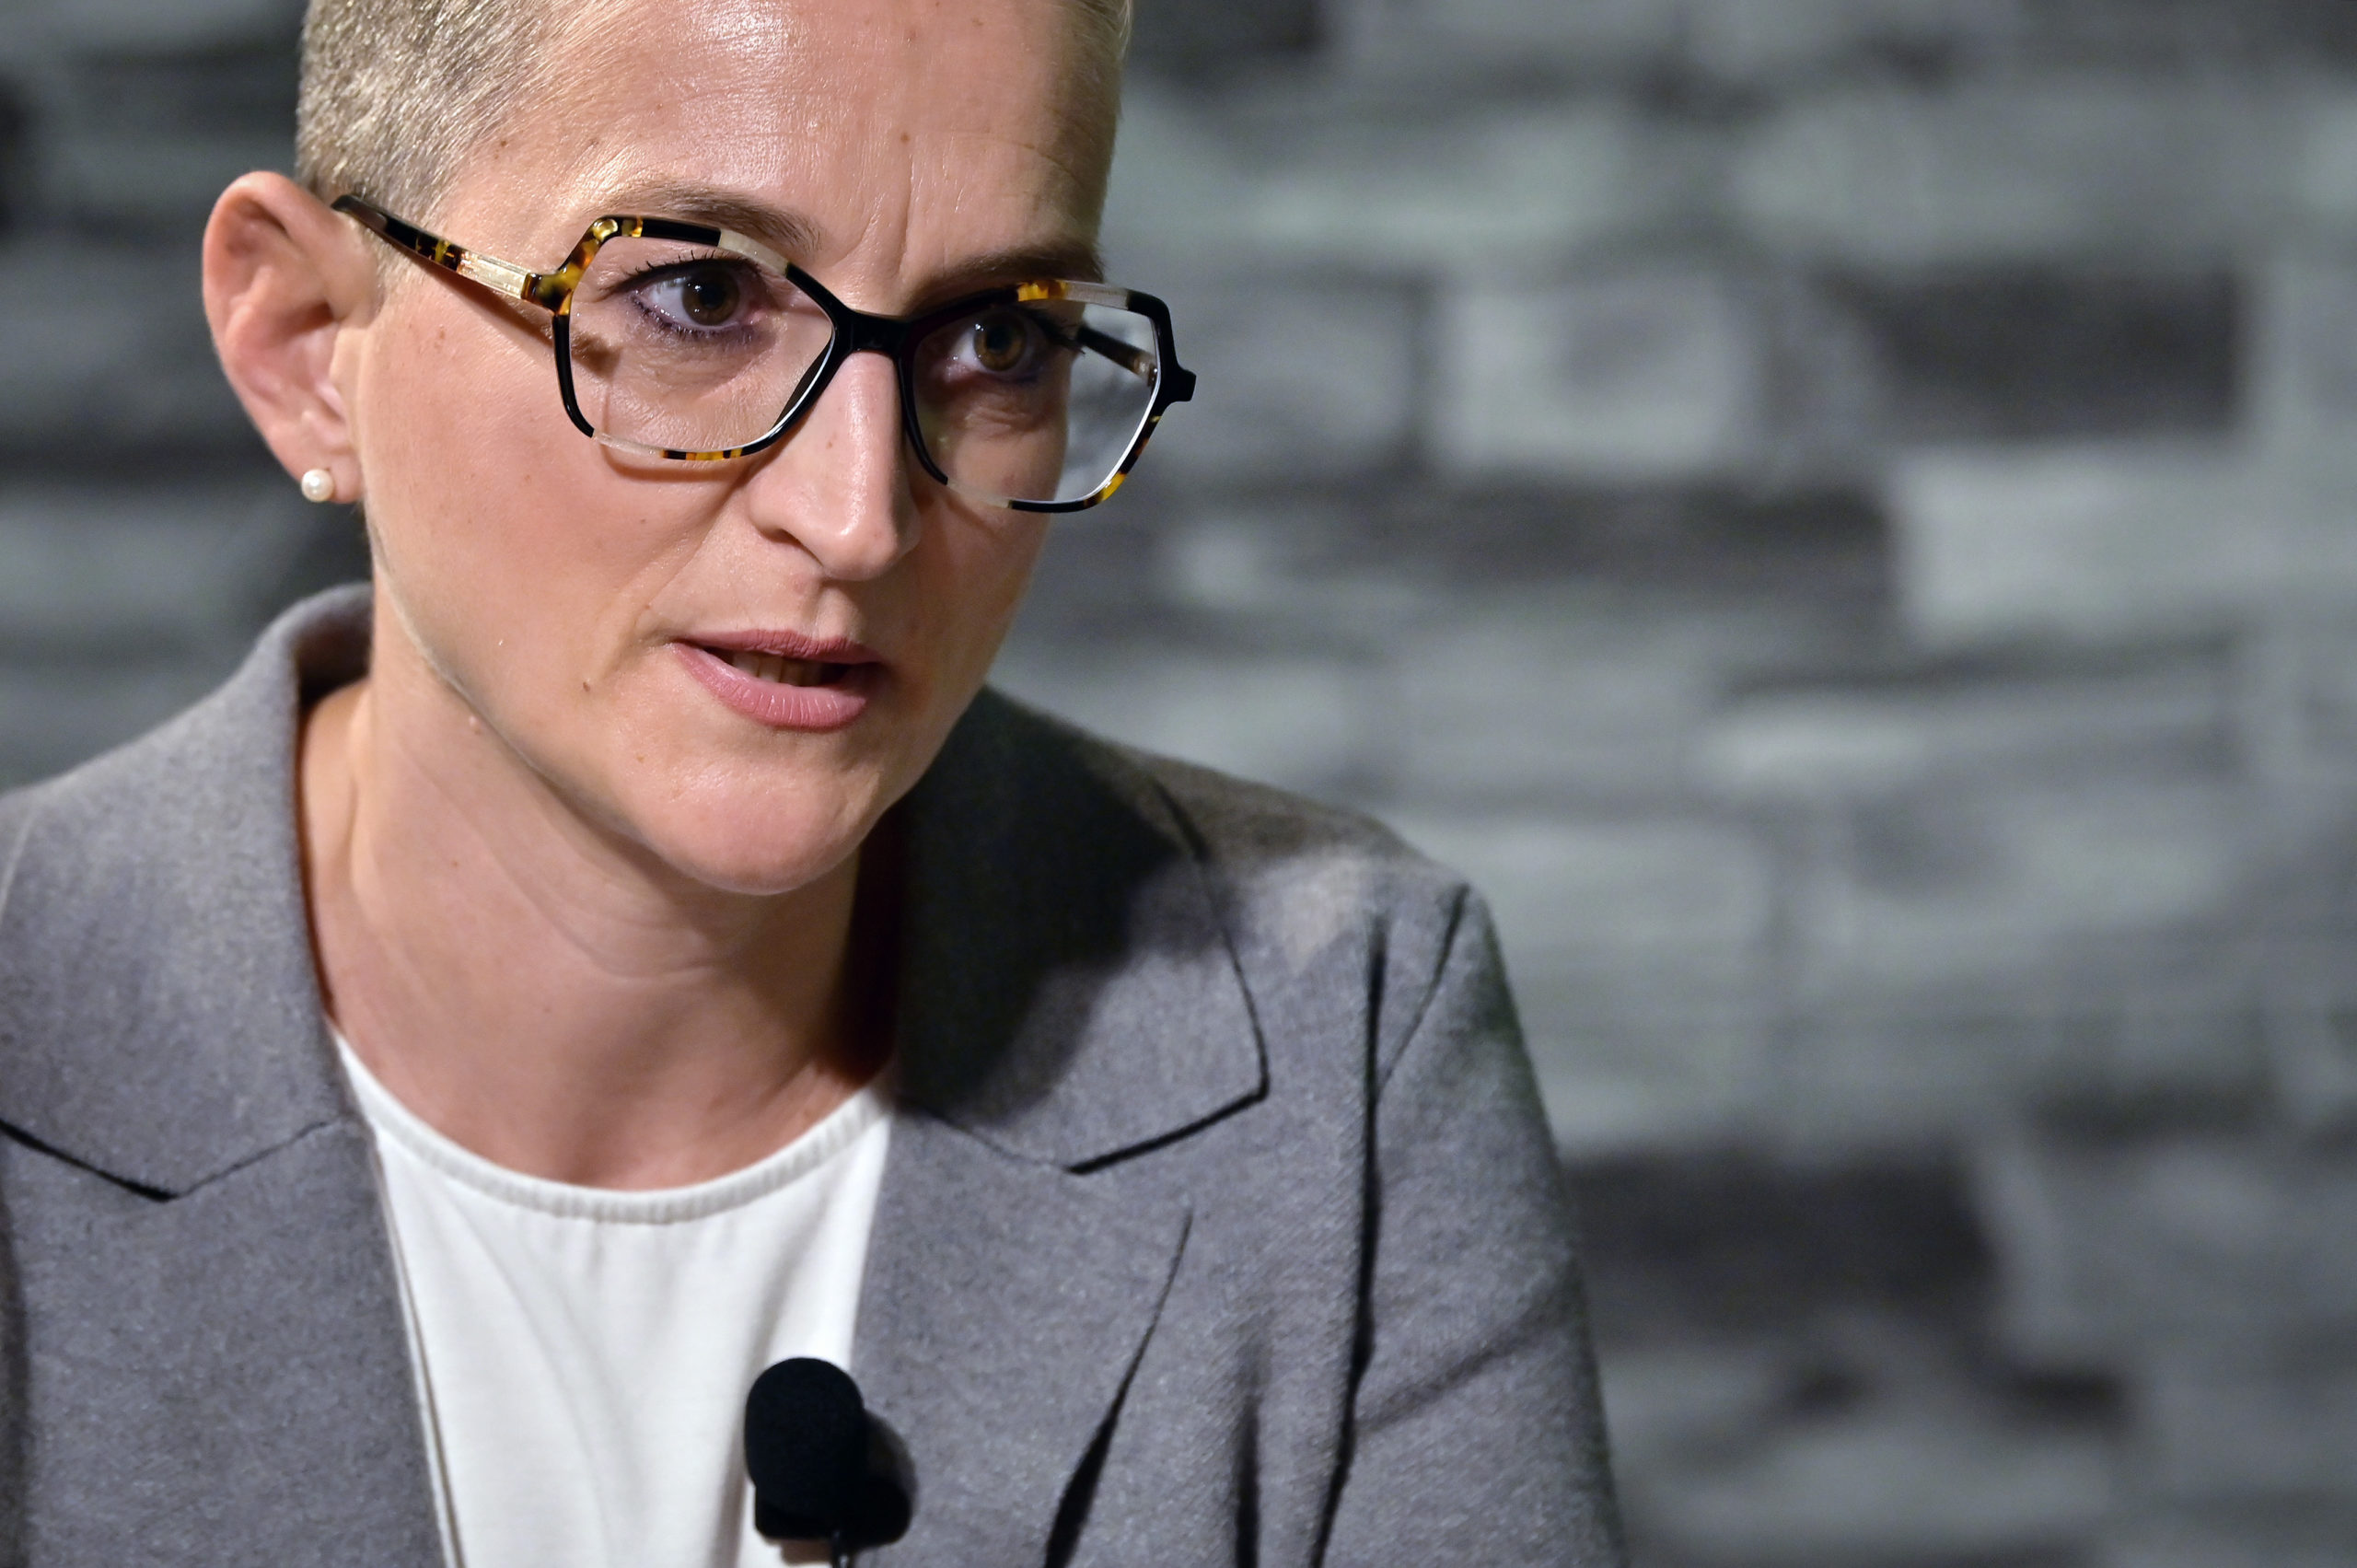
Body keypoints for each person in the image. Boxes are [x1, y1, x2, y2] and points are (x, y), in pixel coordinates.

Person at [0, 0, 1625, 1562]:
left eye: (1000, 338)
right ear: (307, 343)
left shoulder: (1345, 1035)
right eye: (701, 298)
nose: (860, 518)